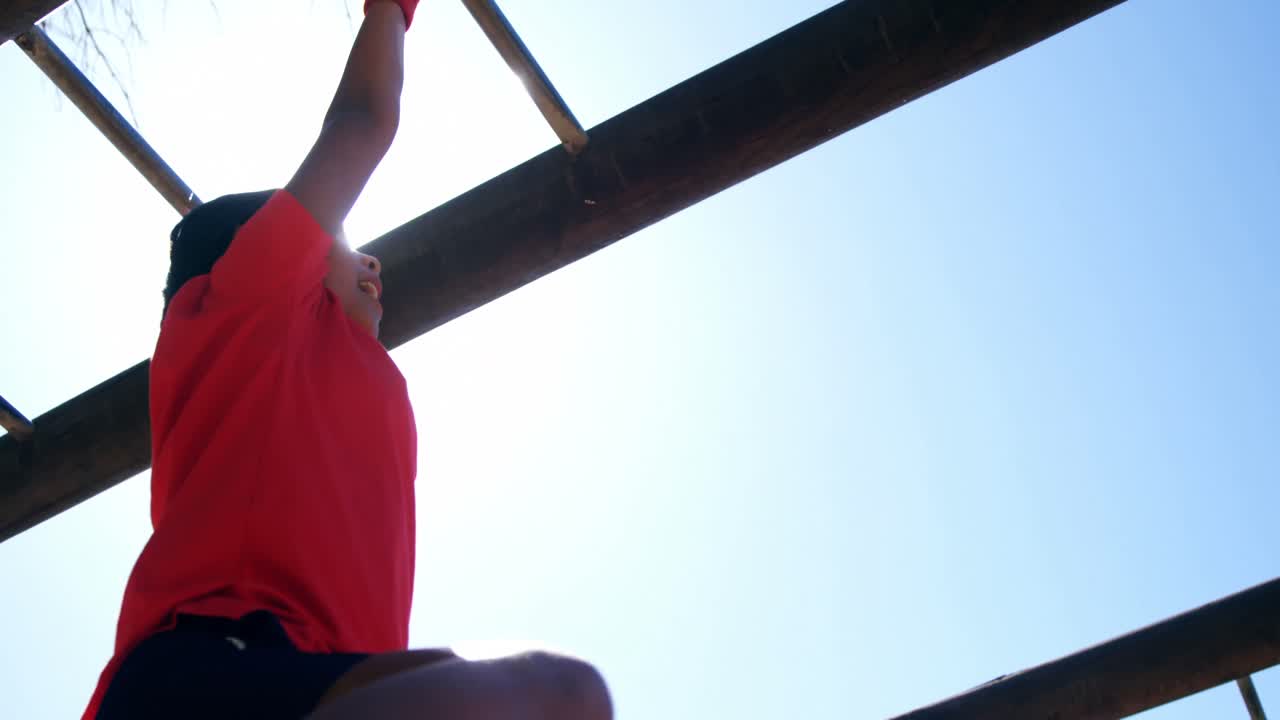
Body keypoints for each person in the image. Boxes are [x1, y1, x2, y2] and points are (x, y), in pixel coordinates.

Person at [83, 2, 612, 718]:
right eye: (340, 232)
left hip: (315, 672)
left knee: (526, 692)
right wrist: (390, 12)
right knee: (560, 695)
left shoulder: (347, 366)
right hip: (214, 660)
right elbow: (364, 122)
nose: (368, 256)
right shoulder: (242, 305)